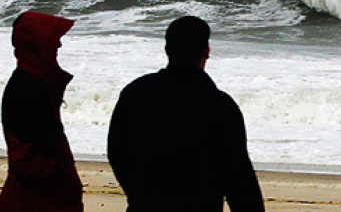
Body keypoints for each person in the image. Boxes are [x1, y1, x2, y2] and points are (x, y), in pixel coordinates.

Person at [107, 16, 264, 211]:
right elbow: (238, 177)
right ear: (206, 51)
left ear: (166, 50)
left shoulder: (135, 93)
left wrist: (138, 192)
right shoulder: (220, 105)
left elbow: (117, 152)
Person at [0, 11, 84, 212]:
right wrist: (61, 174)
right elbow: (27, 161)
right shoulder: (27, 90)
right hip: (36, 203)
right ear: (38, 44)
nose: (59, 45)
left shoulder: (34, 84)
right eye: (53, 39)